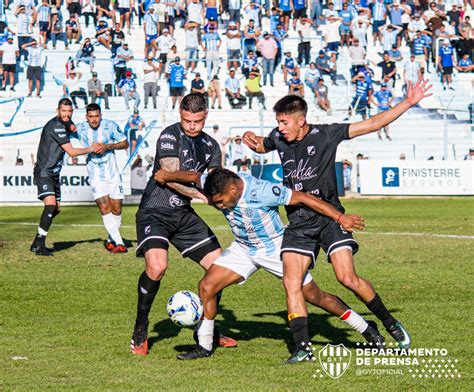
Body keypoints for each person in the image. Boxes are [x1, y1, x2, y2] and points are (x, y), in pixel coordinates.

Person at [243, 84, 432, 361]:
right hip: (298, 221)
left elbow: (370, 124)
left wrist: (407, 102)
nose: (280, 128)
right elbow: (262, 145)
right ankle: (303, 348)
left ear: (301, 120)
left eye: (284, 122)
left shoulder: (326, 135)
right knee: (291, 282)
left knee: (347, 278)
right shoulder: (278, 136)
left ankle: (389, 322)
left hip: (331, 217)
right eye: (278, 123)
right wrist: (253, 139)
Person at [153, 167, 385, 360]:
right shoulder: (216, 181)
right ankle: (204, 346)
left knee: (315, 297)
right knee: (206, 287)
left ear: (233, 189)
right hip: (244, 248)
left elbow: (303, 198)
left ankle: (365, 327)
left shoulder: (262, 190)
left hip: (275, 249)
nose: (219, 207)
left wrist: (339, 217)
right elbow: (194, 176)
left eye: (222, 202)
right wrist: (167, 175)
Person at [130, 93, 236, 356]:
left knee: (219, 269)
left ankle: (206, 330)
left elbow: (215, 180)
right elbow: (169, 179)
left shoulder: (211, 145)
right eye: (187, 120)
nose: (191, 126)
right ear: (180, 114)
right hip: (155, 211)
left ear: (206, 116)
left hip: (183, 217)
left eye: (197, 121)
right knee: (157, 267)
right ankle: (140, 328)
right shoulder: (169, 136)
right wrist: (202, 196)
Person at [30, 98, 98, 256]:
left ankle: (36, 241)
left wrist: (71, 124)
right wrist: (91, 148)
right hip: (44, 171)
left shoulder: (64, 122)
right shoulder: (56, 126)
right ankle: (40, 246)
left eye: (69, 112)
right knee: (51, 205)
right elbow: (72, 152)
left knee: (56, 209)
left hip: (54, 173)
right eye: (64, 111)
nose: (67, 115)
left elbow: (70, 124)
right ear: (57, 111)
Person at [74, 103, 129, 253]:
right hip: (95, 175)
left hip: (112, 174)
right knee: (104, 207)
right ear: (86, 117)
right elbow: (64, 132)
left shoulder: (110, 126)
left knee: (116, 208)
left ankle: (111, 240)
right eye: (91, 117)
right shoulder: (80, 128)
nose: (94, 120)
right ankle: (120, 243)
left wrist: (107, 146)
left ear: (101, 115)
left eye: (96, 116)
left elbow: (125, 143)